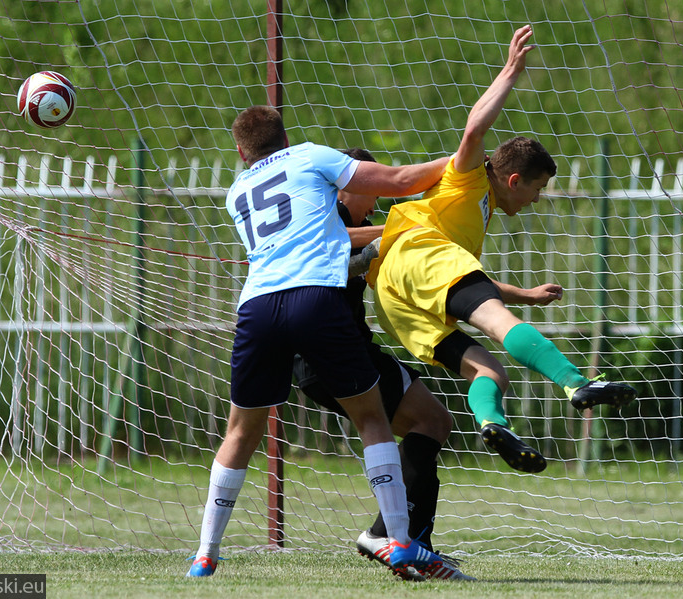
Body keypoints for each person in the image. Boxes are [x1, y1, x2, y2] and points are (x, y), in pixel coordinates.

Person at [186, 106, 452, 581]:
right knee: (372, 417)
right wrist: (462, 161)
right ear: (286, 138)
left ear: (241, 151)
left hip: (257, 307)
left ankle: (205, 553)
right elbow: (399, 178)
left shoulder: (237, 191)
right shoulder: (309, 157)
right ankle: (399, 544)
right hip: (315, 298)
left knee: (239, 433)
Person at [365, 25, 637, 473]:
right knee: (499, 323)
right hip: (418, 254)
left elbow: (461, 284)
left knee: (489, 372)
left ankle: (493, 422)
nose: (536, 199)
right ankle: (574, 383)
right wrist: (510, 72)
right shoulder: (469, 179)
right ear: (514, 179)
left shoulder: (479, 214)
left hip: (395, 299)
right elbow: (473, 130)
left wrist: (526, 294)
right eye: (537, 188)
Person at [292, 148, 474, 581]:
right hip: (334, 353)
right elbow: (338, 245)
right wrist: (400, 226)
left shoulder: (339, 225)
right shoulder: (326, 218)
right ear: (348, 186)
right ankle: (401, 542)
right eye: (370, 191)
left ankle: (401, 540)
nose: (375, 200)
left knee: (430, 423)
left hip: (329, 357)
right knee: (431, 422)